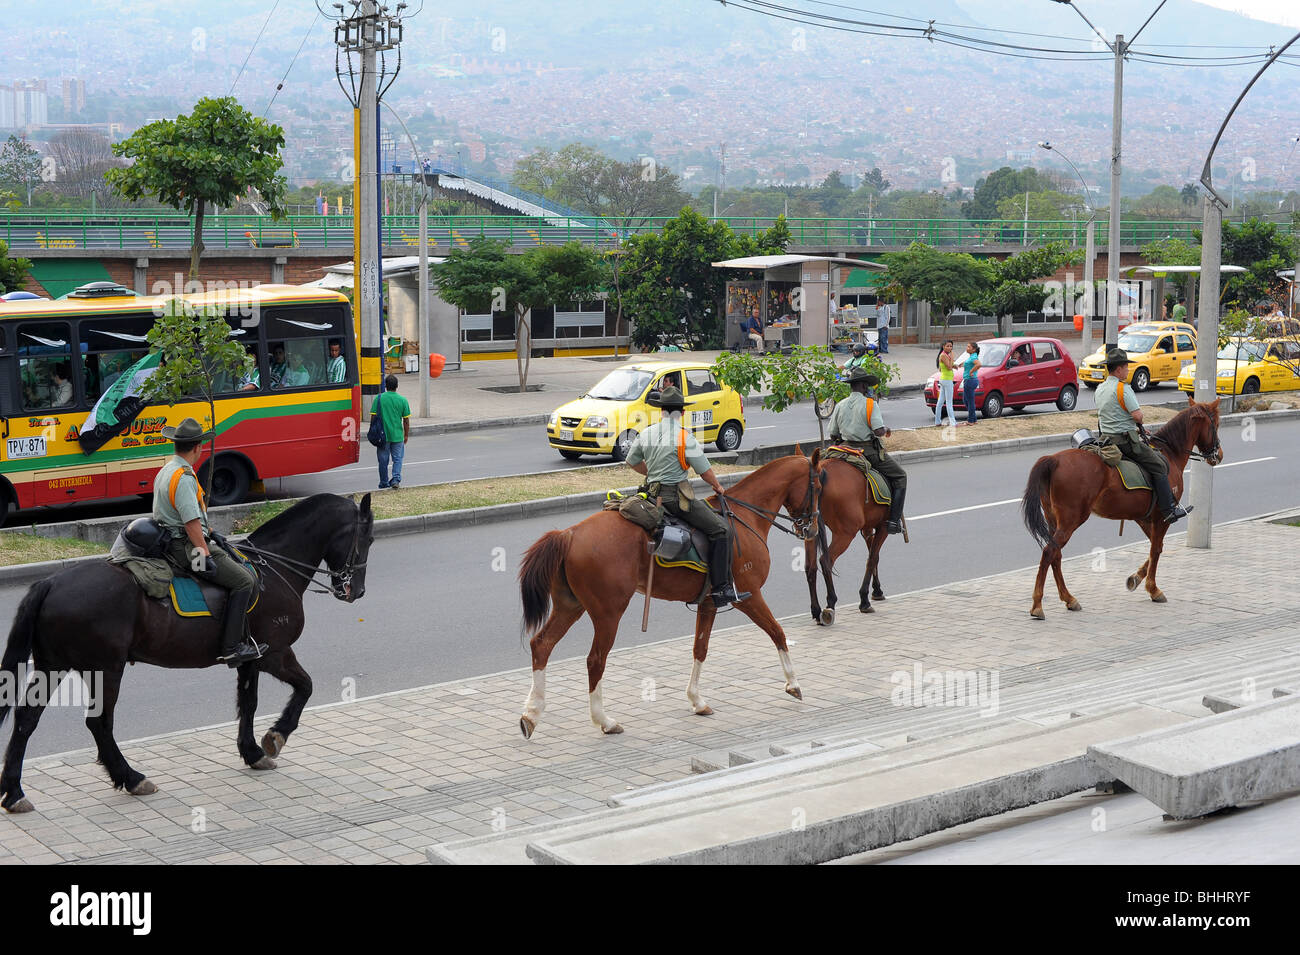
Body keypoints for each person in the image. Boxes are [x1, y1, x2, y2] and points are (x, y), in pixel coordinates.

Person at [153, 418, 267, 666]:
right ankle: (232, 648)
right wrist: (203, 550)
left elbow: (178, 514)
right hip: (185, 549)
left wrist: (212, 532)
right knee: (244, 581)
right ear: (197, 448)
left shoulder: (166, 470)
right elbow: (190, 522)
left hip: (172, 541)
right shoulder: (183, 477)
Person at [625, 386, 750, 607]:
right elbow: (703, 470)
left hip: (650, 496)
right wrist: (718, 487)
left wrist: (651, 474)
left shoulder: (646, 433)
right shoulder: (685, 437)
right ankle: (721, 589)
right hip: (675, 499)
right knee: (722, 530)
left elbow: (631, 461)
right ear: (682, 412)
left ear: (661, 411)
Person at [1096, 346, 1191, 524]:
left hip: (1106, 440)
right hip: (1125, 442)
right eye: (1126, 367)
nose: (1128, 370)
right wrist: (1137, 421)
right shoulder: (1123, 389)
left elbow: (1109, 414)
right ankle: (1168, 510)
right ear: (1118, 369)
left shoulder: (1100, 389)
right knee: (1159, 465)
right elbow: (1137, 415)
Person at [827, 367, 907, 534]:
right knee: (900, 476)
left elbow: (833, 434)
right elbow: (878, 432)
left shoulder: (840, 404)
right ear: (864, 386)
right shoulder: (870, 404)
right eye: (867, 386)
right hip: (867, 451)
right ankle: (893, 522)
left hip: (842, 449)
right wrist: (885, 428)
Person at [372, 374, 411, 489]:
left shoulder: (379, 399)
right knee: (397, 459)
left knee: (383, 461)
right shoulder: (403, 400)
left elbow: (373, 418)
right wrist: (406, 435)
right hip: (398, 436)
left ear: (385, 385)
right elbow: (406, 420)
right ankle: (395, 480)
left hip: (382, 437)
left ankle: (383, 482)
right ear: (397, 386)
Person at [934, 340, 957, 427]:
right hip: (947, 381)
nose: (949, 348)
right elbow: (949, 367)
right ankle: (953, 422)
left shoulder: (944, 355)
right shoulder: (943, 355)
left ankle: (937, 422)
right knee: (949, 402)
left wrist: (955, 365)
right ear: (943, 346)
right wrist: (952, 357)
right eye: (947, 346)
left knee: (940, 402)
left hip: (944, 380)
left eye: (951, 346)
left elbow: (941, 368)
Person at [959, 341, 981, 425]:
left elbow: (978, 364)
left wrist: (971, 371)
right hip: (968, 380)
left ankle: (971, 420)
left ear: (974, 349)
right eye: (967, 346)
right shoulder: (972, 356)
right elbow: (970, 363)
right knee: (966, 400)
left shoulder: (973, 357)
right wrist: (963, 364)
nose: (967, 348)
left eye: (969, 347)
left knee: (970, 401)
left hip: (970, 380)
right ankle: (974, 419)